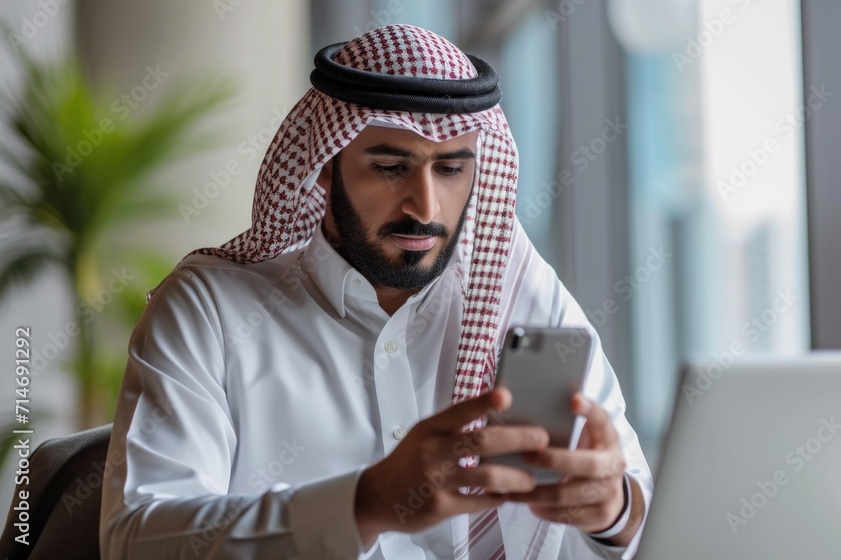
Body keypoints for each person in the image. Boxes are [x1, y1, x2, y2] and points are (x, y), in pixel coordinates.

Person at [99, 24, 652, 559]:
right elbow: (136, 541)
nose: (426, 207)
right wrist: (364, 504)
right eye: (390, 167)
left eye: (452, 169)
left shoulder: (519, 295)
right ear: (322, 166)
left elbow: (644, 517)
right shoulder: (210, 311)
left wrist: (612, 509)